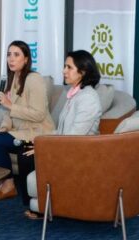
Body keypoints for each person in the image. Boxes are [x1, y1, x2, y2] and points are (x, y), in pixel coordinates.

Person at [22, 49, 102, 219]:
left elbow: (74, 138)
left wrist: (44, 148)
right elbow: (62, 131)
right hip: (66, 147)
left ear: (83, 71)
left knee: (28, 156)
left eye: (69, 67)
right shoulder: (74, 94)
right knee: (25, 149)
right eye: (64, 66)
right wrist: (39, 140)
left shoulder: (88, 98)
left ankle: (42, 208)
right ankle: (41, 205)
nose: (64, 71)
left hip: (78, 154)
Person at [0, 40, 55, 200]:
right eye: (9, 55)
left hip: (36, 132)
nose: (11, 59)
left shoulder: (34, 79)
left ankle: (8, 185)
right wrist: (5, 127)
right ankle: (6, 181)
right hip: (19, 132)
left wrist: (10, 105)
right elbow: (8, 111)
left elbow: (39, 114)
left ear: (26, 59)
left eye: (16, 55)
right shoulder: (12, 78)